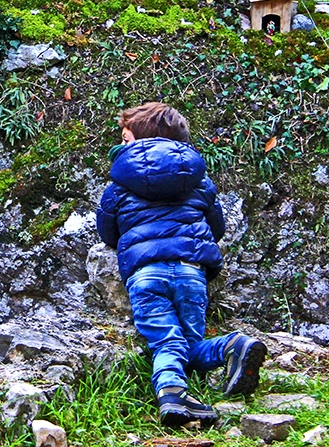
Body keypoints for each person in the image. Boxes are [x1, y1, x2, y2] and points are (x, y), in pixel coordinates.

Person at [96, 102, 266, 427]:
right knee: (188, 345)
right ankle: (232, 346)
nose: (121, 144)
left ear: (140, 141)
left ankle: (171, 394)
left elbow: (107, 231)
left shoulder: (119, 185)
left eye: (126, 138)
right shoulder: (198, 180)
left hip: (147, 274)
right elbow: (217, 228)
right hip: (191, 272)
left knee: (165, 341)